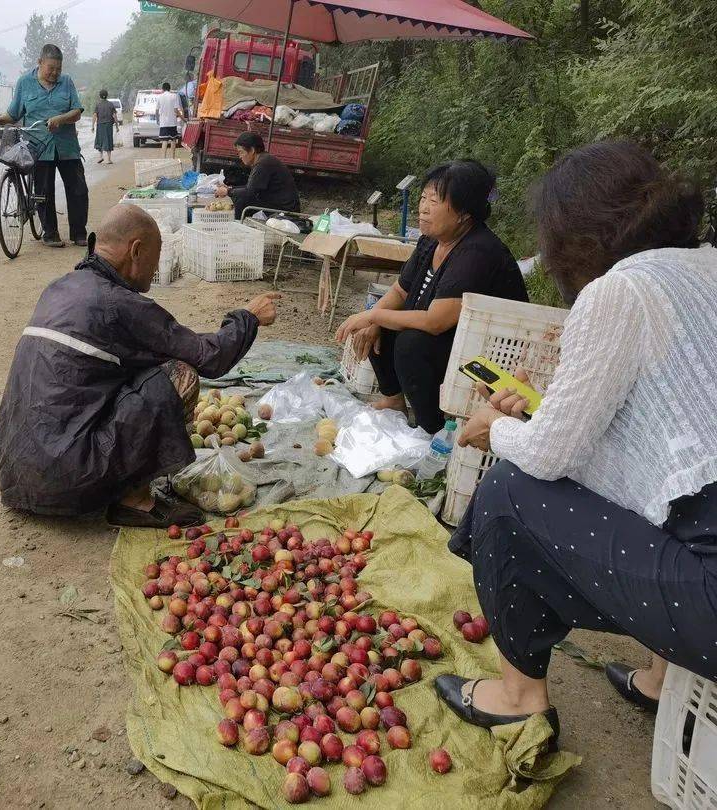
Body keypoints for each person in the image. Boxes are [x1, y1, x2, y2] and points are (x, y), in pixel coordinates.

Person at [432, 141, 717, 743]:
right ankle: (663, 682)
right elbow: (665, 449)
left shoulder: (619, 292)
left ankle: (517, 696)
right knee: (672, 500)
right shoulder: (707, 267)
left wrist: (497, 429)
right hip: (703, 552)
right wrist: (539, 413)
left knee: (510, 487)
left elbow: (548, 457)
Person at [0, 205, 281, 528]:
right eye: (154, 260)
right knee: (179, 375)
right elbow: (208, 357)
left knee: (134, 367)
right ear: (136, 251)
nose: (154, 271)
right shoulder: (120, 304)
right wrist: (249, 317)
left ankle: (103, 481)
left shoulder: (59, 288)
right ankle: (135, 502)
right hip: (67, 479)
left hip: (16, 471)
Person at [334, 159, 526, 434]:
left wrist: (374, 314)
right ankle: (394, 400)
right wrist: (373, 320)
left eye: (434, 201)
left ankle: (432, 429)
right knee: (379, 324)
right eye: (423, 197)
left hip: (489, 354)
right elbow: (401, 290)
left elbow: (436, 322)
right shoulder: (431, 241)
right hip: (450, 339)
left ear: (463, 213)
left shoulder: (477, 253)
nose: (423, 207)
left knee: (410, 342)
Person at [0, 44, 88, 248]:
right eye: (50, 68)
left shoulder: (67, 82)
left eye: (58, 69)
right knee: (43, 192)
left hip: (67, 146)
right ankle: (50, 233)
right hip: (38, 146)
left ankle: (79, 233)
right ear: (40, 63)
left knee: (78, 190)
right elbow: (14, 114)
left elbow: (77, 111)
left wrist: (60, 119)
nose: (54, 73)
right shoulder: (24, 83)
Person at [215, 132, 300, 221]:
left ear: (252, 150)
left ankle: (237, 225)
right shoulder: (264, 159)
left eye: (241, 152)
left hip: (285, 211)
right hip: (278, 205)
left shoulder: (263, 163)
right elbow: (251, 187)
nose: (240, 156)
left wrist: (228, 191)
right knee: (240, 195)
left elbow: (249, 192)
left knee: (242, 198)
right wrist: (230, 188)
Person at [156, 82, 184, 160]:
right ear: (169, 88)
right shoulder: (174, 96)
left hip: (163, 123)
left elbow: (156, 110)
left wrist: (157, 120)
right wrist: (183, 118)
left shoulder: (159, 97)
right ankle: (173, 158)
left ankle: (163, 158)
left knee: (164, 141)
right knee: (173, 139)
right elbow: (176, 110)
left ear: (163, 89)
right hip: (172, 122)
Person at [92, 89, 117, 165]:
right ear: (107, 95)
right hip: (109, 125)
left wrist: (92, 126)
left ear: (100, 96)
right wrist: (117, 126)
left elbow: (95, 115)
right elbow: (114, 115)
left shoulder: (98, 104)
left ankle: (100, 157)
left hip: (100, 125)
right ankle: (109, 159)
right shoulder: (110, 104)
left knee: (100, 140)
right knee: (109, 140)